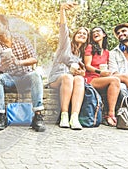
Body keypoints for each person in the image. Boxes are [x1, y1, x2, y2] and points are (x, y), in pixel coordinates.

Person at [0, 14, 45, 132]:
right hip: (10, 78)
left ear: (6, 26)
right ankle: (0, 116)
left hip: (25, 76)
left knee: (36, 75)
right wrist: (4, 65)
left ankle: (38, 115)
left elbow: (34, 59)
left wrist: (18, 62)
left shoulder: (21, 38)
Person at [48, 2, 88, 130]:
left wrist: (81, 73)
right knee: (68, 77)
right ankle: (64, 116)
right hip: (57, 78)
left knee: (80, 79)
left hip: (70, 80)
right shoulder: (65, 45)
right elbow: (63, 28)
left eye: (84, 34)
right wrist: (62, 10)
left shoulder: (83, 55)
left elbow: (82, 72)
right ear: (74, 36)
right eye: (79, 33)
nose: (82, 34)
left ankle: (74, 117)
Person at [84, 26, 121, 127]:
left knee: (117, 79)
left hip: (101, 78)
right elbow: (87, 65)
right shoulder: (90, 47)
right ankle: (110, 114)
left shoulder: (107, 52)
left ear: (104, 34)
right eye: (93, 32)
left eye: (98, 31)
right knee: (115, 81)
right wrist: (99, 72)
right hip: (90, 78)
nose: (95, 33)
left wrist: (107, 73)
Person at [109, 23, 128, 106]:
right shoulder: (113, 53)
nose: (120, 33)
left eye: (123, 31)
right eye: (118, 33)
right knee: (122, 89)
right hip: (124, 83)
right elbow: (114, 73)